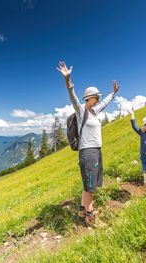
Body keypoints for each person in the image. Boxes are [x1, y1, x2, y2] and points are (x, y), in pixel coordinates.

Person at [57, 61, 119, 225]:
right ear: (89, 98)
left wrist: (113, 94)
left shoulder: (94, 111)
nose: (99, 99)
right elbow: (72, 96)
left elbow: (105, 104)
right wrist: (67, 79)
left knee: (88, 185)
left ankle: (81, 212)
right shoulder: (81, 110)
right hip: (88, 152)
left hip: (96, 151)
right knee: (89, 186)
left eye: (99, 97)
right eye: (96, 97)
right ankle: (90, 217)